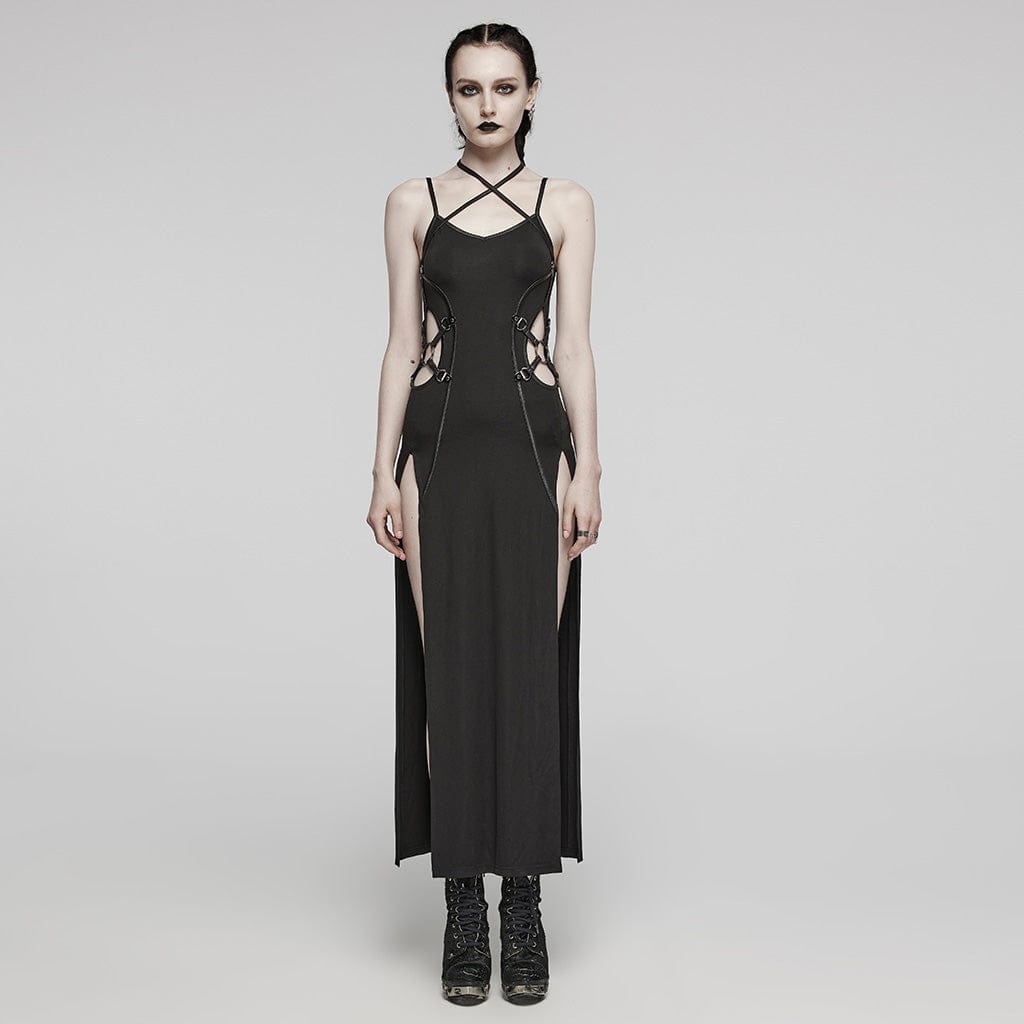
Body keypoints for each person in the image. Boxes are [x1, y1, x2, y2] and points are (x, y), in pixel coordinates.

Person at [366, 23, 603, 1005]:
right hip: (438, 453)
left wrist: (591, 467)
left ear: (532, 93)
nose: (488, 105)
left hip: (535, 452)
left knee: (528, 674)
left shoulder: (567, 203)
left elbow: (575, 346)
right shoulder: (410, 202)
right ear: (451, 98)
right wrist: (381, 470)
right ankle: (463, 902)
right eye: (470, 89)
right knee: (450, 672)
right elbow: (399, 342)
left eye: (505, 87)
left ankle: (523, 902)